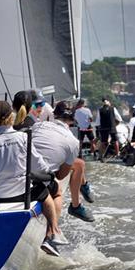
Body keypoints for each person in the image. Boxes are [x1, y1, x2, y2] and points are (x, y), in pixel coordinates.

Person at [0, 100, 63, 254]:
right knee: (46, 195)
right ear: (11, 118)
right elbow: (39, 165)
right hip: (23, 195)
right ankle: (53, 233)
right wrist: (50, 174)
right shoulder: (22, 137)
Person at [31, 101, 95, 247]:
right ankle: (51, 234)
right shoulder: (73, 141)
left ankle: (82, 192)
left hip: (21, 173)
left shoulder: (37, 125)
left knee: (79, 164)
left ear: (54, 115)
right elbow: (60, 175)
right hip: (40, 180)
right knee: (58, 191)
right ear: (72, 120)